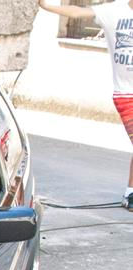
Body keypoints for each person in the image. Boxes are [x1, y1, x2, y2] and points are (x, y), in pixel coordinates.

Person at [39, 0, 133, 210]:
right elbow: (77, 12)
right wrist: (47, 7)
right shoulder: (113, 11)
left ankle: (130, 192)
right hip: (126, 94)